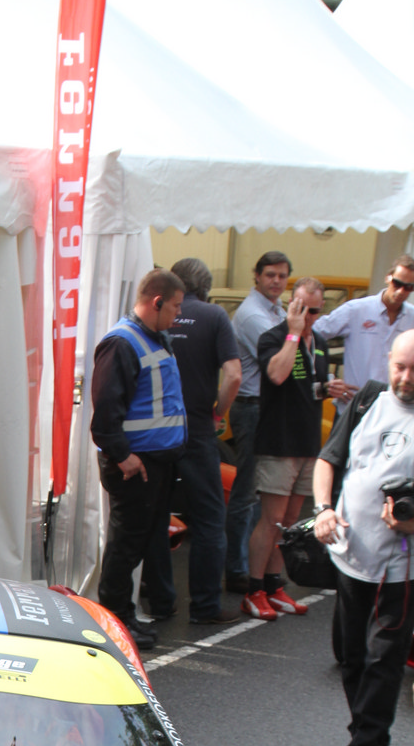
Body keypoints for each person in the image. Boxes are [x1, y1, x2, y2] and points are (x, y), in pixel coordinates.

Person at [315, 330, 414, 746]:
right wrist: (323, 509)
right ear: (388, 361)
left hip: (404, 566)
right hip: (351, 555)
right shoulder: (368, 401)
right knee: (353, 656)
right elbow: (328, 459)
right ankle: (374, 743)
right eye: (400, 367)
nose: (406, 378)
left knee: (384, 658)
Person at [243, 278, 352, 621]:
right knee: (271, 520)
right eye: (303, 309)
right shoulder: (274, 337)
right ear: (292, 304)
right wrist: (292, 333)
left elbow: (307, 386)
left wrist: (327, 388)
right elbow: (277, 375)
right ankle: (253, 589)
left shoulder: (318, 341)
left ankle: (274, 585)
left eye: (316, 311)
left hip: (307, 442)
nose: (309, 317)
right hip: (278, 442)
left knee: (289, 523)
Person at [91, 269, 187, 651]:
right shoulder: (123, 343)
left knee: (137, 542)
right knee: (126, 545)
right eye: (176, 307)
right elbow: (105, 412)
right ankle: (113, 621)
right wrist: (123, 456)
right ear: (157, 302)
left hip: (151, 461)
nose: (179, 315)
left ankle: (122, 617)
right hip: (136, 464)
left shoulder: (150, 338)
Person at [142, 256, 241, 625]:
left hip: (157, 430)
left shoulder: (156, 317)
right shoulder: (215, 317)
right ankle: (205, 605)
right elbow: (233, 375)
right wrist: (218, 412)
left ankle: (161, 600)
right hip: (197, 428)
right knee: (210, 518)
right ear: (206, 287)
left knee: (156, 515)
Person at [226, 252, 292, 592]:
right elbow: (282, 360)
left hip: (265, 407)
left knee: (262, 492)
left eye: (282, 275)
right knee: (247, 491)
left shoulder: (278, 311)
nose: (276, 281)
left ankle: (252, 564)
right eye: (270, 275)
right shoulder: (253, 314)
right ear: (257, 276)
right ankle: (237, 568)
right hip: (252, 406)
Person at [313, 256, 414, 412]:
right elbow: (312, 334)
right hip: (353, 407)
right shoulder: (356, 310)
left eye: (408, 287)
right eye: (397, 283)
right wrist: (328, 380)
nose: (401, 291)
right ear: (388, 278)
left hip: (391, 410)